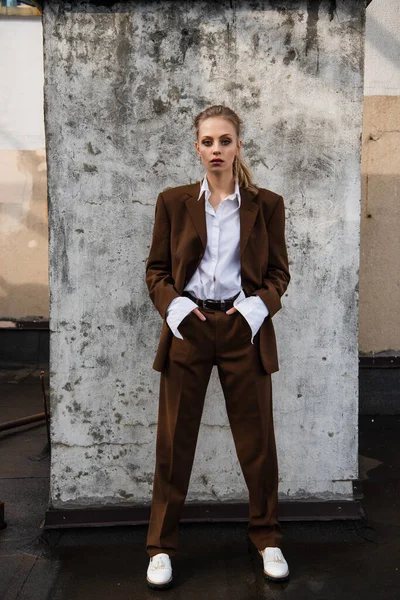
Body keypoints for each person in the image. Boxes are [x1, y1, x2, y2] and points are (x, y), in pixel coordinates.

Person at [145, 105, 291, 589]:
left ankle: (268, 538)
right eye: (207, 142)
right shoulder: (173, 201)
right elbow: (156, 272)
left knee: (257, 442)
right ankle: (161, 546)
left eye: (224, 141)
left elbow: (278, 274)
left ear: (238, 146)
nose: (216, 150)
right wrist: (177, 308)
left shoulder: (265, 204)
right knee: (174, 441)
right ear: (197, 147)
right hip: (189, 327)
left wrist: (254, 311)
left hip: (241, 328)